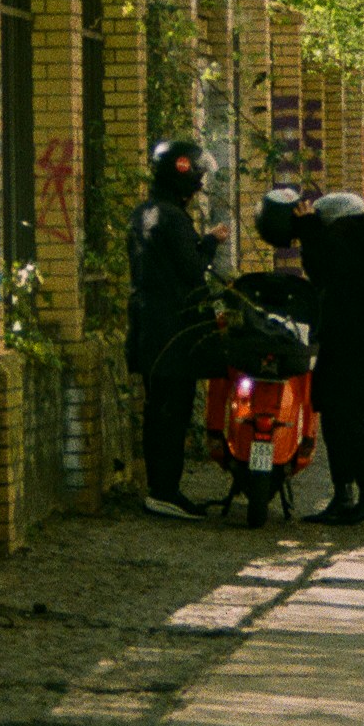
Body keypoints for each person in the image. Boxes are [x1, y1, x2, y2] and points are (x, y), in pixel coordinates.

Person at [257, 185, 364, 527]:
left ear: (334, 223)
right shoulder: (363, 240)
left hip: (352, 335)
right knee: (340, 415)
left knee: (347, 415)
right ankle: (349, 496)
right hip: (362, 334)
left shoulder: (345, 244)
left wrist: (307, 228)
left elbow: (323, 268)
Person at [126, 136, 226, 518]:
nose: (199, 186)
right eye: (197, 178)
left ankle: (160, 487)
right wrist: (210, 243)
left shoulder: (143, 214)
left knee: (157, 408)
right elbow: (190, 268)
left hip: (146, 326)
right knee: (172, 411)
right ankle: (164, 490)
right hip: (172, 330)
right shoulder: (172, 218)